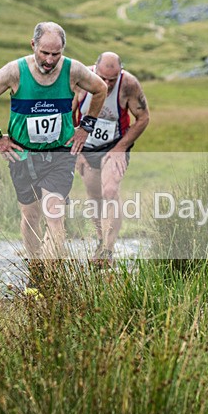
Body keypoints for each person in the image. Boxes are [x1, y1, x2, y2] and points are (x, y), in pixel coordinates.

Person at [0, 21, 107, 287]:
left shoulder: (73, 70)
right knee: (31, 215)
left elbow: (100, 89)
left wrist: (85, 127)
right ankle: (36, 271)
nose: (49, 60)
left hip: (59, 154)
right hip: (22, 155)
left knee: (54, 216)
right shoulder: (15, 71)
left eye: (55, 54)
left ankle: (50, 283)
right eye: (44, 53)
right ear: (33, 45)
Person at [73, 51, 151, 263]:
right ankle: (100, 241)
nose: (106, 84)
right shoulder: (80, 79)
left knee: (110, 190)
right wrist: (77, 152)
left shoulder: (129, 84)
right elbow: (68, 113)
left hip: (114, 145)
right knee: (93, 193)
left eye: (112, 80)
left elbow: (143, 117)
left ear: (120, 73)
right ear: (95, 69)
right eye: (102, 78)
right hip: (87, 145)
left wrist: (121, 147)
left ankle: (108, 249)